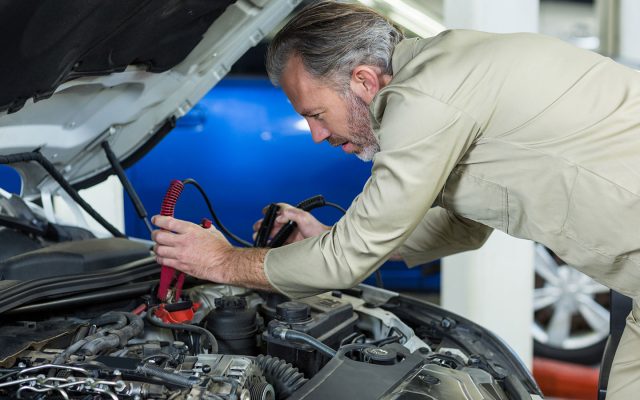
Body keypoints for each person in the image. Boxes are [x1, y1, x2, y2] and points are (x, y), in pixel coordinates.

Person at [152, 1, 640, 397]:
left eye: (317, 113)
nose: (316, 135)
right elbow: (463, 224)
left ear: (364, 81)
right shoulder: (446, 69)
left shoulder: (425, 98)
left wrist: (223, 262)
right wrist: (326, 239)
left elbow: (345, 262)